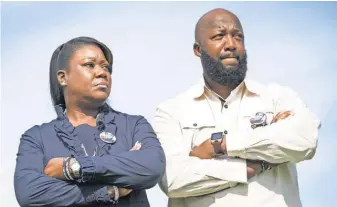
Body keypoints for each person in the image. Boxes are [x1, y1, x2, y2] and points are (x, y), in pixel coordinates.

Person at [153, 8, 320, 207]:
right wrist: (256, 165)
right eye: (219, 36)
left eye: (237, 36)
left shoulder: (278, 97)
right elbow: (172, 180)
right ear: (198, 49)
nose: (231, 44)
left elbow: (305, 141)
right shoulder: (172, 111)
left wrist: (219, 146)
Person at [14, 36, 166, 207]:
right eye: (89, 65)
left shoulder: (133, 125)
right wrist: (110, 191)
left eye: (106, 67)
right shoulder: (37, 138)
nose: (102, 72)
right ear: (63, 77)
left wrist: (72, 168)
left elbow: (152, 167)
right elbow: (30, 194)